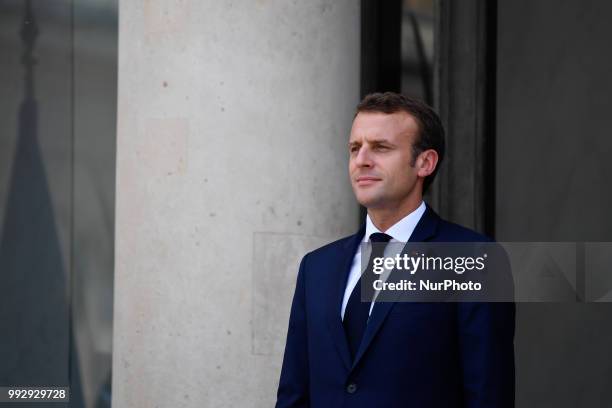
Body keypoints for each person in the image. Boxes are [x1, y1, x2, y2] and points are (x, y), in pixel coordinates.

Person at [275, 92, 515, 407]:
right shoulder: (316, 267)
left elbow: (488, 395)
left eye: (381, 147)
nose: (361, 160)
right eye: (355, 148)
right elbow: (295, 393)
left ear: (425, 162)